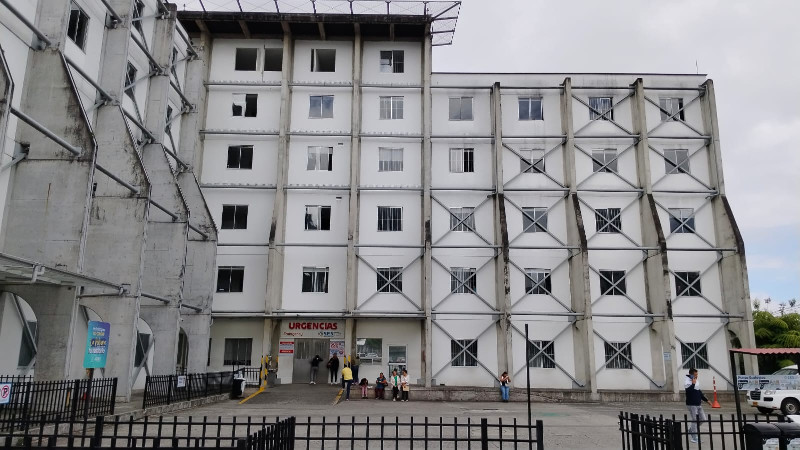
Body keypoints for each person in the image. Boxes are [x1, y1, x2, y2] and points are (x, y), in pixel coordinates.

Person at [685, 368, 710, 444]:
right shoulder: (687, 381)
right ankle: (694, 437)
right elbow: (688, 392)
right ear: (691, 374)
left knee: (703, 419)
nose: (697, 376)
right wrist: (693, 384)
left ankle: (691, 430)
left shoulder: (696, 381)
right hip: (692, 404)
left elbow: (699, 392)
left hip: (698, 404)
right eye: (695, 375)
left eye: (697, 374)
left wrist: (706, 400)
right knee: (695, 420)